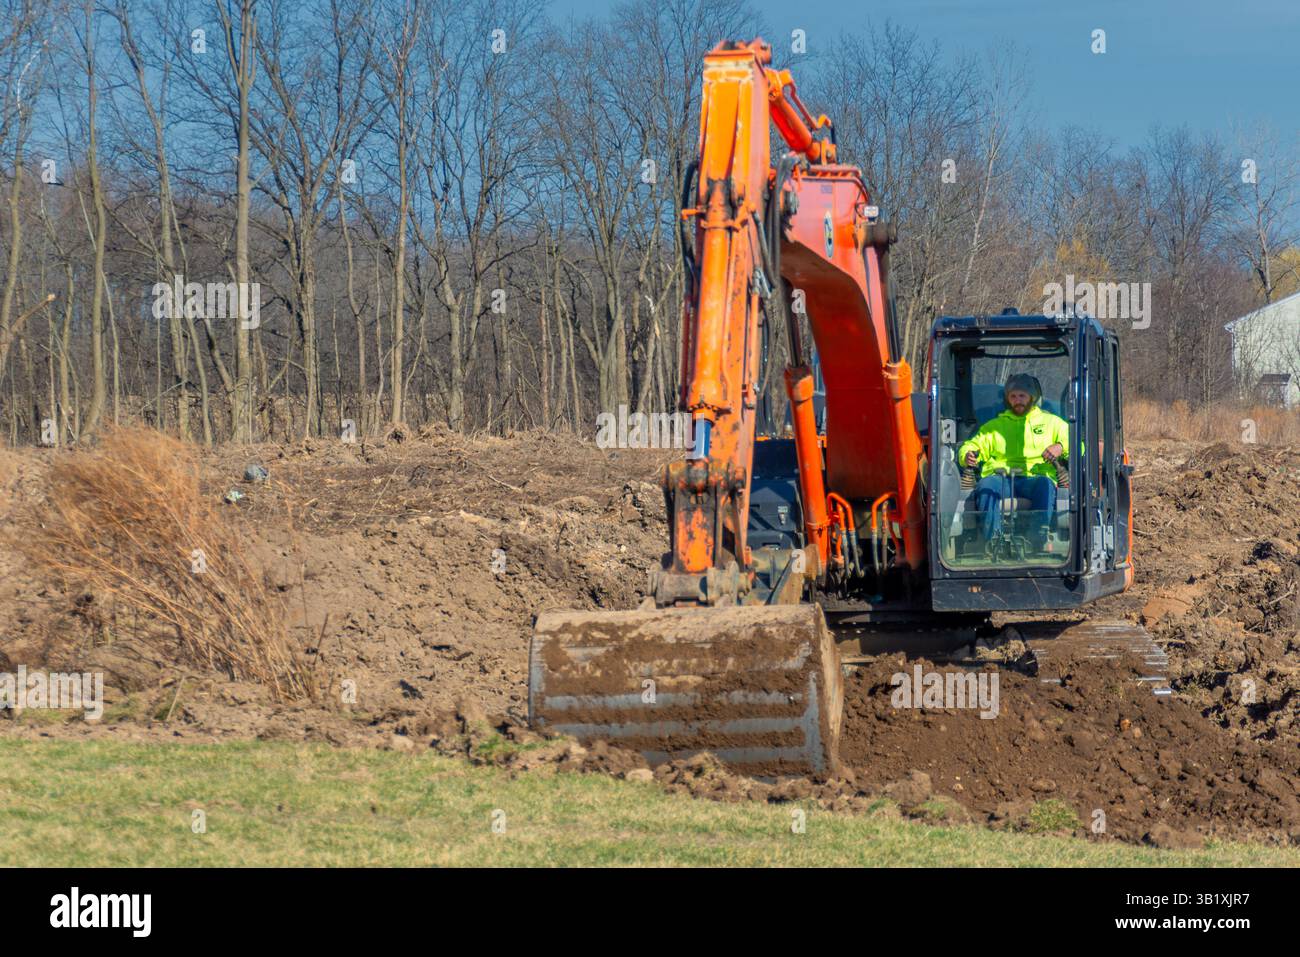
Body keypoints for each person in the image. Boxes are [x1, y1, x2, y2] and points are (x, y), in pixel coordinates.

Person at [957, 373, 1069, 551]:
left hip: (1035, 477)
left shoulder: (1053, 423)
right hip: (1001, 478)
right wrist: (967, 454)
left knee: (1046, 485)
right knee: (985, 486)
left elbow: (1079, 444)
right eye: (1013, 396)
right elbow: (973, 444)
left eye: (1022, 396)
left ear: (1032, 397)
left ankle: (1037, 540)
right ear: (1008, 399)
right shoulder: (994, 426)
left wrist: (1060, 447)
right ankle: (993, 542)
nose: (1018, 401)